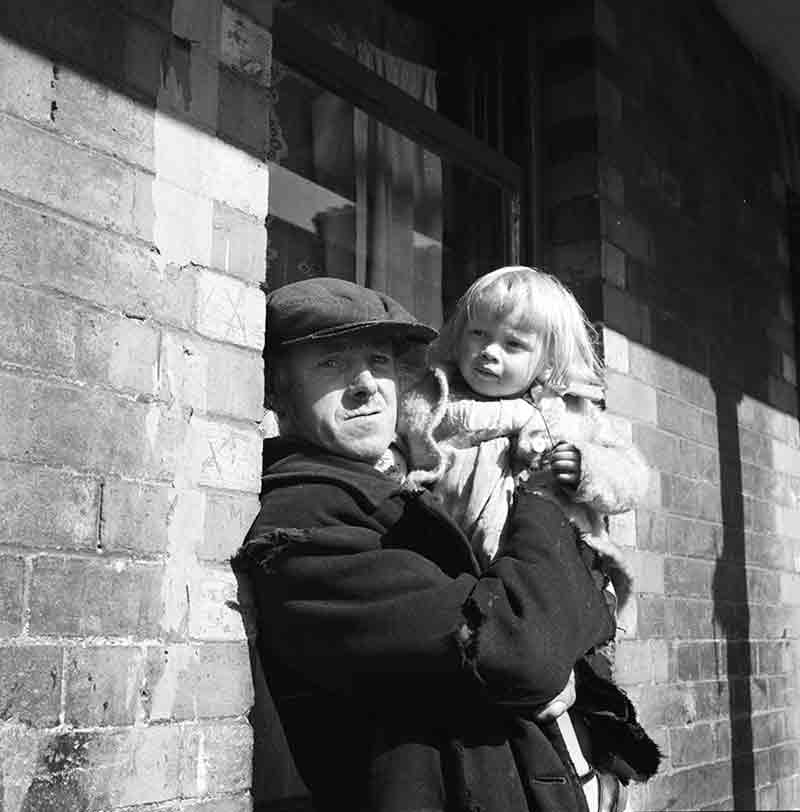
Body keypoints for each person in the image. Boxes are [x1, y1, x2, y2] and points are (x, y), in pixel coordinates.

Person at [232, 276, 621, 812]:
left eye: (380, 361)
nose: (367, 384)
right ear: (276, 389)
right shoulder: (305, 523)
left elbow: (569, 613)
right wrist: (543, 502)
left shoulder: (401, 493)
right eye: (332, 364)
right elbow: (520, 650)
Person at [396, 266, 661, 807]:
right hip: (474, 585)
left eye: (513, 343)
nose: (489, 352)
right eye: (479, 334)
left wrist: (584, 466)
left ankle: (594, 784)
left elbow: (631, 475)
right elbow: (397, 457)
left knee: (569, 693)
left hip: (558, 591)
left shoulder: (570, 417)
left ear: (550, 359)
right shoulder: (434, 402)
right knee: (510, 705)